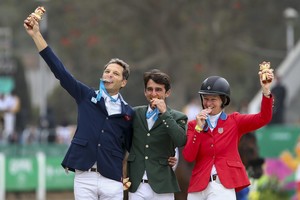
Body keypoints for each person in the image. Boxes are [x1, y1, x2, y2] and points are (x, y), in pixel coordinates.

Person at [24, 13, 134, 200]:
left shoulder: (129, 113)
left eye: (115, 73)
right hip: (85, 176)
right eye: (107, 71)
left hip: (113, 179)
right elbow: (59, 70)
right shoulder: (86, 95)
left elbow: (134, 147)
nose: (109, 74)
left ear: (123, 82)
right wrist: (36, 35)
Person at [182, 65, 274, 200]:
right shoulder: (193, 125)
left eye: (213, 99)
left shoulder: (234, 121)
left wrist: (266, 91)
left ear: (223, 100)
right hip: (198, 186)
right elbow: (189, 156)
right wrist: (198, 129)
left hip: (222, 186)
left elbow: (263, 118)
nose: (208, 103)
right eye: (205, 98)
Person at [127, 69, 188, 200]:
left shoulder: (178, 117)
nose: (153, 94)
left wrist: (165, 114)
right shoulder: (134, 114)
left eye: (158, 90)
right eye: (150, 89)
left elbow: (180, 140)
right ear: (145, 92)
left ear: (168, 93)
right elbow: (124, 140)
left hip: (163, 186)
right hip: (137, 185)